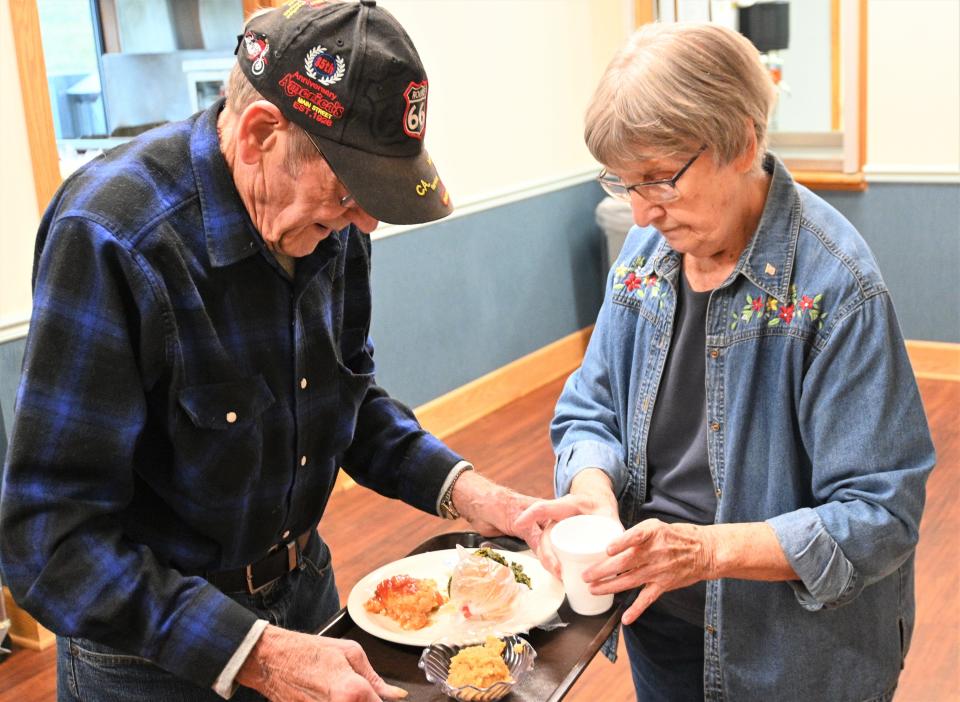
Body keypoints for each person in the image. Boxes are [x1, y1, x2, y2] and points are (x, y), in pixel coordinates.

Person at [0, 3, 546, 700]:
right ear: (261, 134)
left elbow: (349, 403)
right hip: (152, 655)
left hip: (306, 596)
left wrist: (481, 497)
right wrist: (255, 654)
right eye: (350, 194)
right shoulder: (113, 238)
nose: (365, 221)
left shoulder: (325, 220)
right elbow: (51, 543)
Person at [516, 21, 936, 702]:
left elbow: (880, 514)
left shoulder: (835, 288)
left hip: (792, 658)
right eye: (624, 183)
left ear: (742, 141)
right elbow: (590, 404)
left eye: (659, 180)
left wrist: (707, 551)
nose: (641, 212)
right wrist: (591, 489)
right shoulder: (645, 256)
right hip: (665, 629)